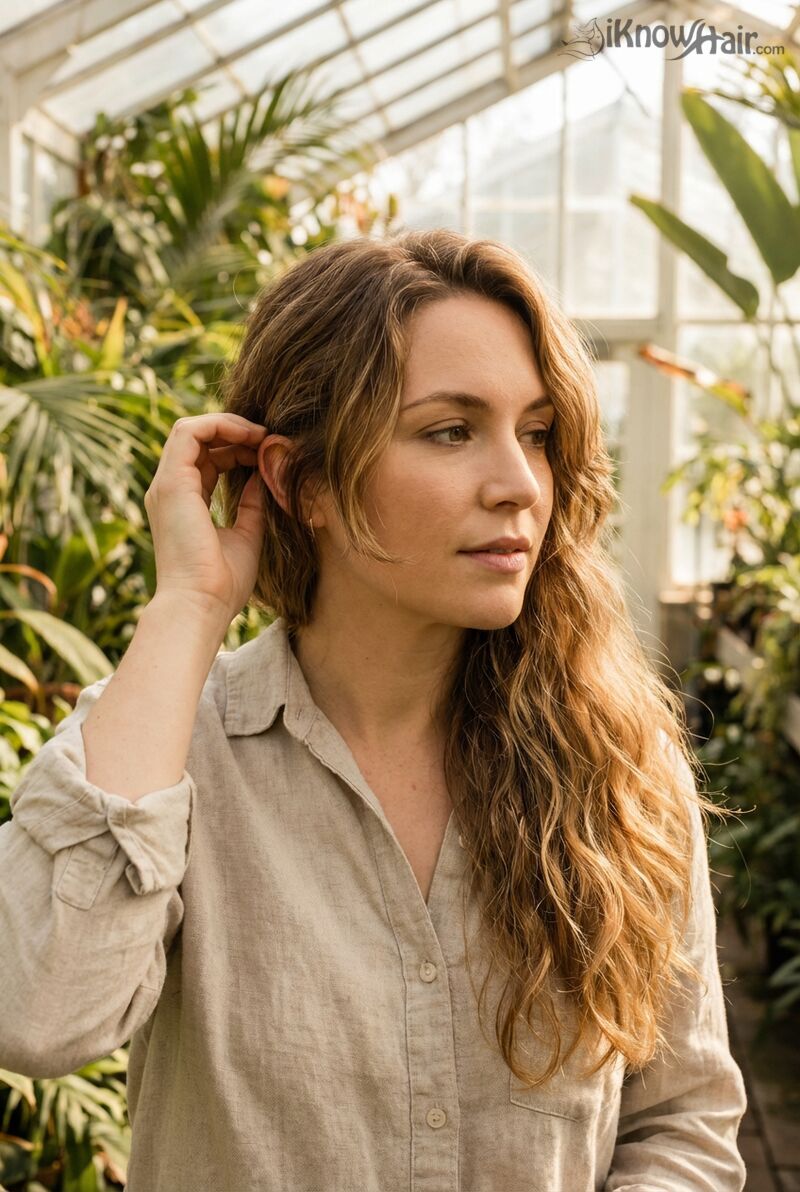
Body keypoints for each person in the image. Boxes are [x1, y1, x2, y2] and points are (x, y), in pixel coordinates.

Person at [0, 228, 747, 1190]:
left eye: (535, 433)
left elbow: (682, 1117)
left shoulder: (619, 763)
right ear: (302, 482)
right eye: (450, 430)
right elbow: (40, 1012)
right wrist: (190, 602)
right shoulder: (164, 753)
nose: (520, 486)